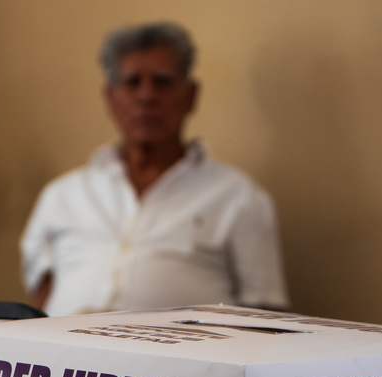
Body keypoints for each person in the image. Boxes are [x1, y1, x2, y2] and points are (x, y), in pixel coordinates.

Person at [21, 21, 289, 316]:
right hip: (66, 345)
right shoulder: (62, 195)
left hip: (187, 348)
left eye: (162, 82)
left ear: (191, 96)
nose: (146, 96)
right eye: (132, 82)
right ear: (110, 98)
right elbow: (39, 306)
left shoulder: (238, 197)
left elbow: (265, 316)